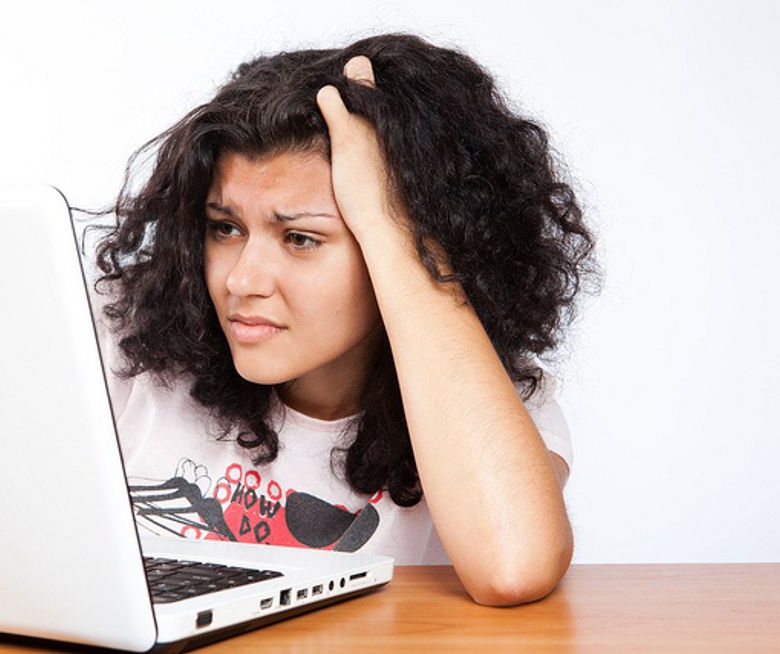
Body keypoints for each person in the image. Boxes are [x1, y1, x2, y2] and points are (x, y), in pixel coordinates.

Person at [88, 33, 601, 607]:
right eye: (225, 227)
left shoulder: (490, 402)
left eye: (301, 238)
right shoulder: (120, 337)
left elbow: (514, 567)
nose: (242, 280)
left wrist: (392, 224)